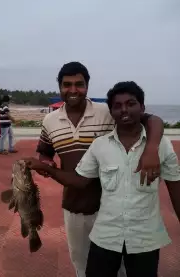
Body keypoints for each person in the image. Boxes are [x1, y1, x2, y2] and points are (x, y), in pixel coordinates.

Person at [24, 81, 180, 277]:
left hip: (145, 238)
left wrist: (152, 148)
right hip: (106, 236)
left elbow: (176, 190)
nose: (124, 110)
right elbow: (79, 180)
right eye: (117, 105)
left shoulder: (162, 146)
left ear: (142, 107)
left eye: (131, 104)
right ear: (111, 112)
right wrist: (44, 167)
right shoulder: (100, 146)